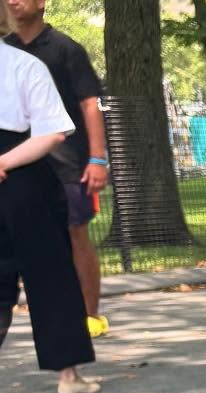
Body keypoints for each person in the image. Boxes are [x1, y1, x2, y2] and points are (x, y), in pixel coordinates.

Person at [0, 34, 99, 393]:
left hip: (19, 171)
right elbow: (53, 130)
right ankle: (68, 376)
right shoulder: (24, 65)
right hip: (23, 174)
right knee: (51, 274)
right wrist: (5, 161)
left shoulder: (28, 63)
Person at [3, 0, 108, 338]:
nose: (14, 1)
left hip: (68, 164)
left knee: (76, 234)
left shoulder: (66, 49)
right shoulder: (7, 51)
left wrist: (97, 158)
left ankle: (90, 316)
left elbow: (90, 105)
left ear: (42, 3)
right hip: (22, 167)